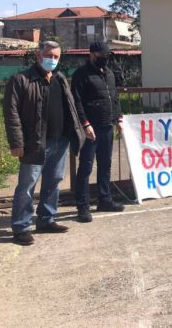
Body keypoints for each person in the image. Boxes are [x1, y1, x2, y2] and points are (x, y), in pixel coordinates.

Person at [4, 41, 86, 246]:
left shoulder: (60, 78)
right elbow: (11, 114)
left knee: (53, 181)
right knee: (27, 185)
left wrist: (77, 131)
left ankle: (46, 219)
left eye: (56, 57)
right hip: (34, 143)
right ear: (38, 55)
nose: (53, 60)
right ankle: (21, 227)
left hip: (60, 140)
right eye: (49, 55)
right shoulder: (21, 80)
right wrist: (16, 142)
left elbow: (70, 106)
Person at [72, 42, 125, 222]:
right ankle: (82, 207)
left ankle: (105, 200)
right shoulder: (81, 74)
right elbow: (77, 101)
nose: (105, 59)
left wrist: (118, 118)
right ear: (92, 55)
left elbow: (115, 98)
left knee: (105, 165)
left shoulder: (109, 73)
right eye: (102, 56)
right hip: (91, 129)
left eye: (107, 56)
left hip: (107, 126)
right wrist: (85, 124)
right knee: (85, 168)